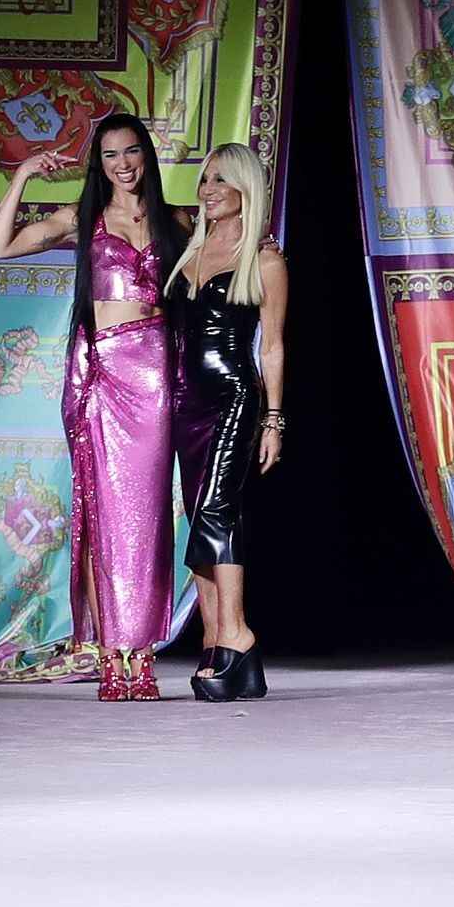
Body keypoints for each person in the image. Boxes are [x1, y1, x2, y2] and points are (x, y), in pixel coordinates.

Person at [0, 115, 187, 702]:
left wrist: (264, 244)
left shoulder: (177, 220)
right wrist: (23, 175)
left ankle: (142, 654)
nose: (123, 164)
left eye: (132, 152)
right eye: (110, 155)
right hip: (103, 374)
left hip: (156, 378)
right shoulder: (83, 219)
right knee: (103, 516)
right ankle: (110, 658)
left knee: (147, 517)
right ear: (99, 164)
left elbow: (237, 238)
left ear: (147, 155)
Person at [166, 143, 286, 702]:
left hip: (235, 397)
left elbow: (274, 346)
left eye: (221, 180)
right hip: (184, 401)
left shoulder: (265, 259)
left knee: (216, 512)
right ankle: (217, 641)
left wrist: (274, 420)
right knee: (201, 517)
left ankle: (236, 636)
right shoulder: (189, 241)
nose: (209, 189)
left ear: (245, 187)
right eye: (205, 179)